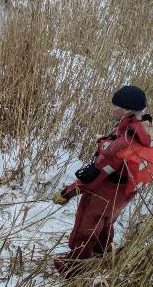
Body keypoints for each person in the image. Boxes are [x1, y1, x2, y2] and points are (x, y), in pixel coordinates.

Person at [52, 85, 152, 277]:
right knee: (107, 222)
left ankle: (76, 266)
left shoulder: (124, 143)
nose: (112, 108)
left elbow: (95, 176)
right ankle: (102, 254)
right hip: (124, 193)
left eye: (115, 105)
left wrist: (67, 193)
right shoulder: (145, 130)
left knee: (86, 225)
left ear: (127, 110)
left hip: (104, 191)